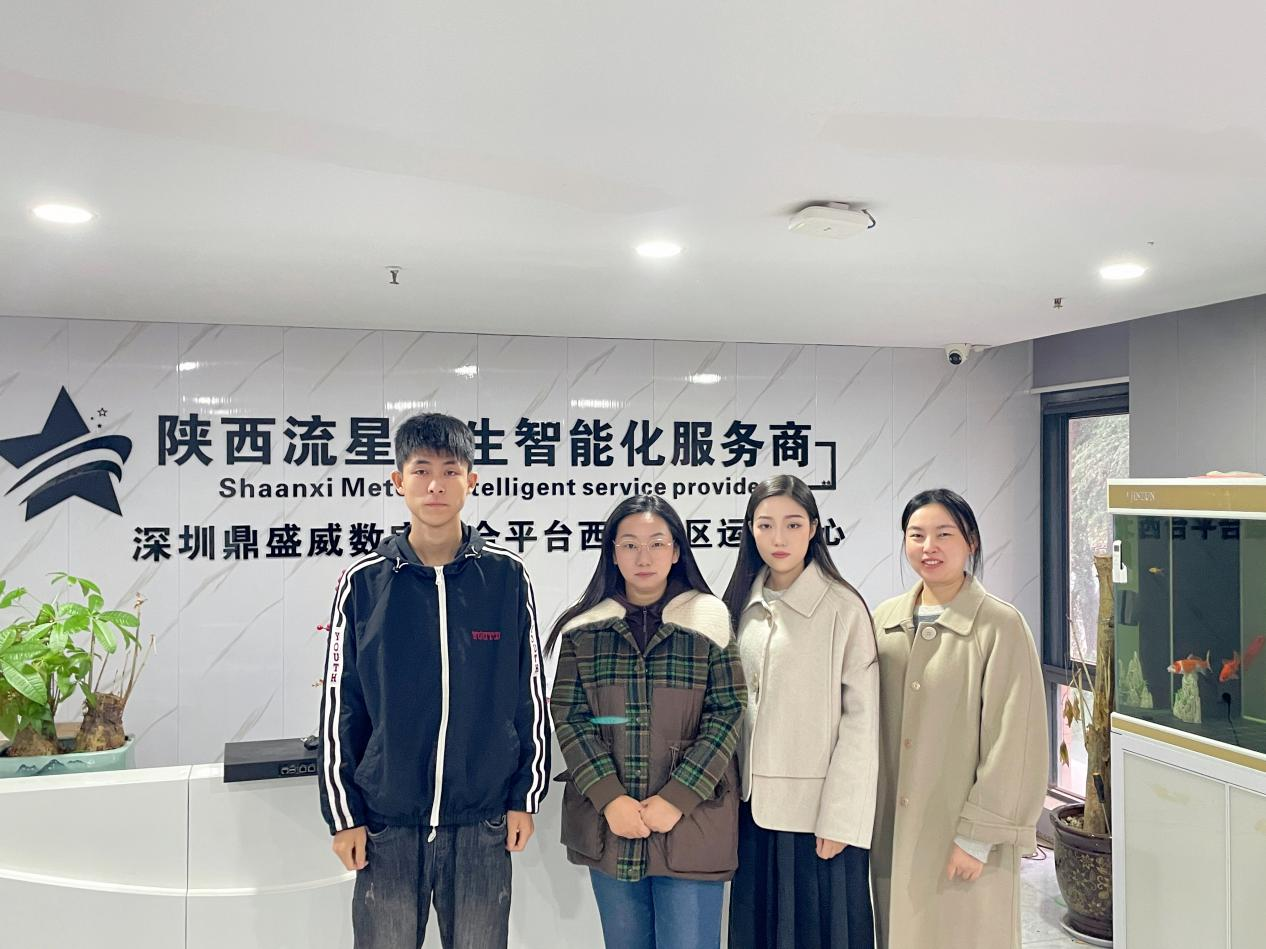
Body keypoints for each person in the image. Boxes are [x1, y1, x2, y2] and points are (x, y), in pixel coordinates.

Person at [317, 412, 550, 949]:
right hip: (387, 822)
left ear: (472, 480)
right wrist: (344, 814)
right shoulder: (365, 583)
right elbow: (341, 703)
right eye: (421, 470)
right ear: (398, 481)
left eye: (451, 471)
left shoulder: (507, 577)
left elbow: (529, 693)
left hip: (482, 821)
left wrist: (525, 794)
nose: (436, 485)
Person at [547, 495, 746, 949]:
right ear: (612, 553)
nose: (644, 557)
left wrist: (677, 797)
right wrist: (609, 797)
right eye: (630, 545)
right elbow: (571, 716)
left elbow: (728, 712)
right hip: (611, 825)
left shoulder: (709, 621)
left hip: (692, 821)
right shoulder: (585, 629)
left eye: (657, 543)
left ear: (676, 551)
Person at [870, 488, 1046, 949]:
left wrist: (978, 837)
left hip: (962, 833)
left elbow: (1016, 740)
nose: (929, 547)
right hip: (894, 831)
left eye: (944, 534)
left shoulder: (1000, 625)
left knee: (965, 933)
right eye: (916, 535)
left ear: (971, 541)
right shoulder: (884, 620)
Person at [721, 474, 878, 949]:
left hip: (816, 819)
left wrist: (841, 818)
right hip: (751, 811)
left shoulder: (843, 608)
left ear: (813, 528)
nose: (779, 538)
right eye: (765, 525)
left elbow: (861, 723)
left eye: (792, 524)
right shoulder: (739, 605)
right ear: (750, 530)